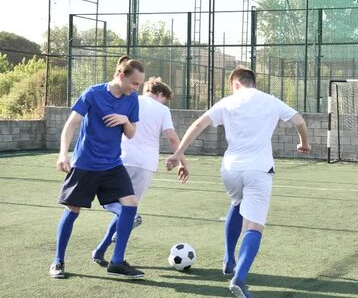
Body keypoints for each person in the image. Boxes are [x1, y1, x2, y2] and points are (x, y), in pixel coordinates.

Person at [165, 66, 311, 298]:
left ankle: (229, 259)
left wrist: (178, 154)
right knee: (254, 226)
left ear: (235, 83)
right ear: (253, 82)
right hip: (259, 170)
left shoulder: (227, 102)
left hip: (230, 170)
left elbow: (198, 125)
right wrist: (304, 142)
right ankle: (239, 279)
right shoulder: (271, 101)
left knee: (236, 202)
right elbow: (299, 120)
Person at [50, 55, 146, 279]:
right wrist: (63, 153)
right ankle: (58, 261)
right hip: (86, 164)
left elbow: (131, 134)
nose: (137, 88)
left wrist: (125, 120)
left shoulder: (132, 99)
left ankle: (117, 261)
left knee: (131, 204)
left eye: (139, 84)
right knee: (72, 211)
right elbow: (71, 123)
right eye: (134, 83)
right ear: (121, 75)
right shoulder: (93, 93)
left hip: (112, 164)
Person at [91, 77, 189, 267]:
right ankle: (109, 255)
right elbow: (172, 138)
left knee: (119, 208)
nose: (164, 102)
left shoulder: (130, 100)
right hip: (145, 164)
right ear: (159, 94)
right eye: (165, 98)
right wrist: (181, 161)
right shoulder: (162, 110)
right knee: (128, 212)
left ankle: (101, 250)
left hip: (120, 159)